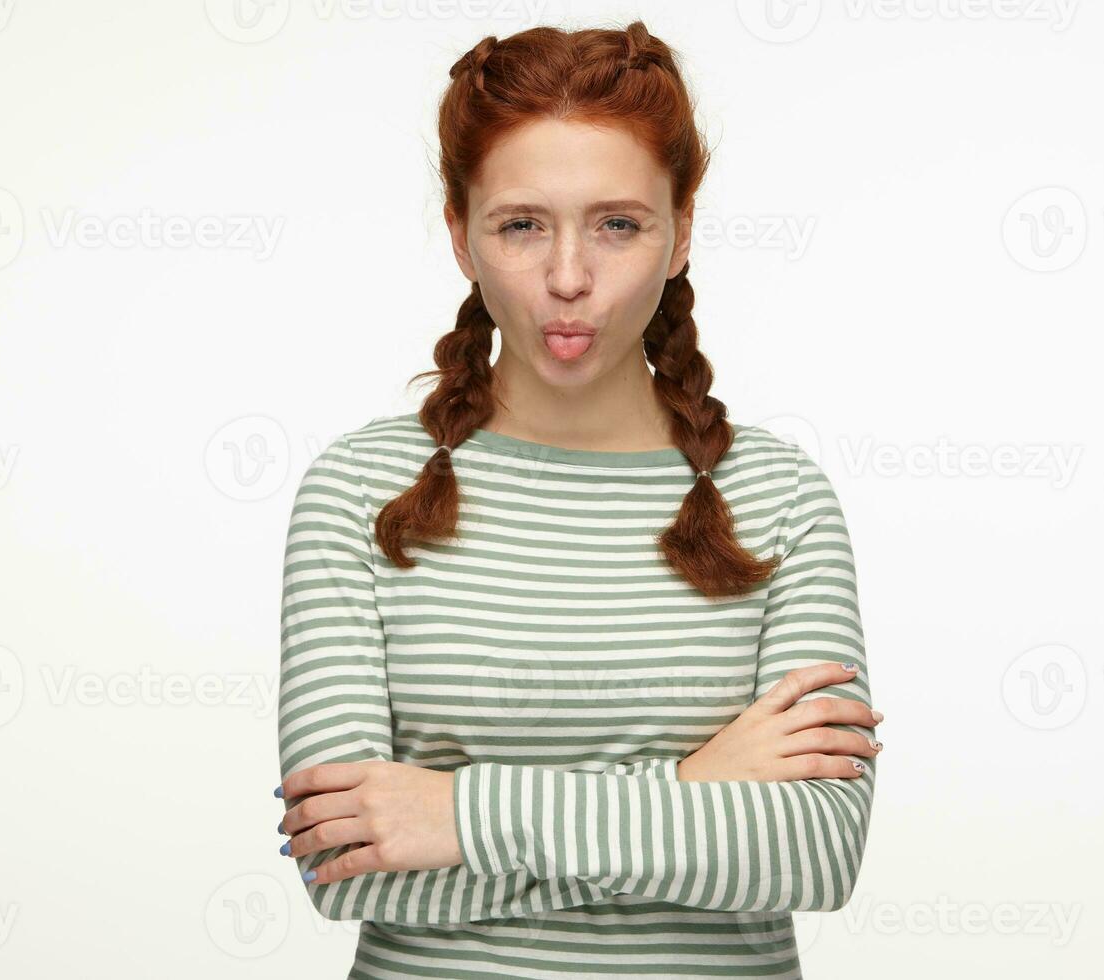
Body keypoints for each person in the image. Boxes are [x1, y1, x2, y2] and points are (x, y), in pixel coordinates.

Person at [274, 20, 882, 978]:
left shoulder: (778, 496)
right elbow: (347, 869)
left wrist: (457, 817)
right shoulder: (360, 493)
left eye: (618, 224)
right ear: (460, 238)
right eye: (521, 225)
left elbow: (813, 852)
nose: (567, 278)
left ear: (680, 232)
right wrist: (695, 788)